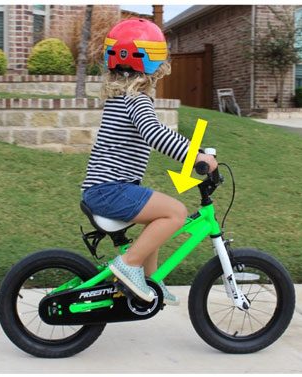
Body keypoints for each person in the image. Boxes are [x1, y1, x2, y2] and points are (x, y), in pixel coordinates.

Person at [81, 18, 217, 305]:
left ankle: (150, 280)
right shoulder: (137, 100)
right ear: (151, 62)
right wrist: (196, 158)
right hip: (110, 191)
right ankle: (129, 265)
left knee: (158, 215)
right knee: (175, 213)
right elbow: (155, 134)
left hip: (106, 190)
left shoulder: (121, 98)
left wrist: (197, 149)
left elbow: (158, 133)